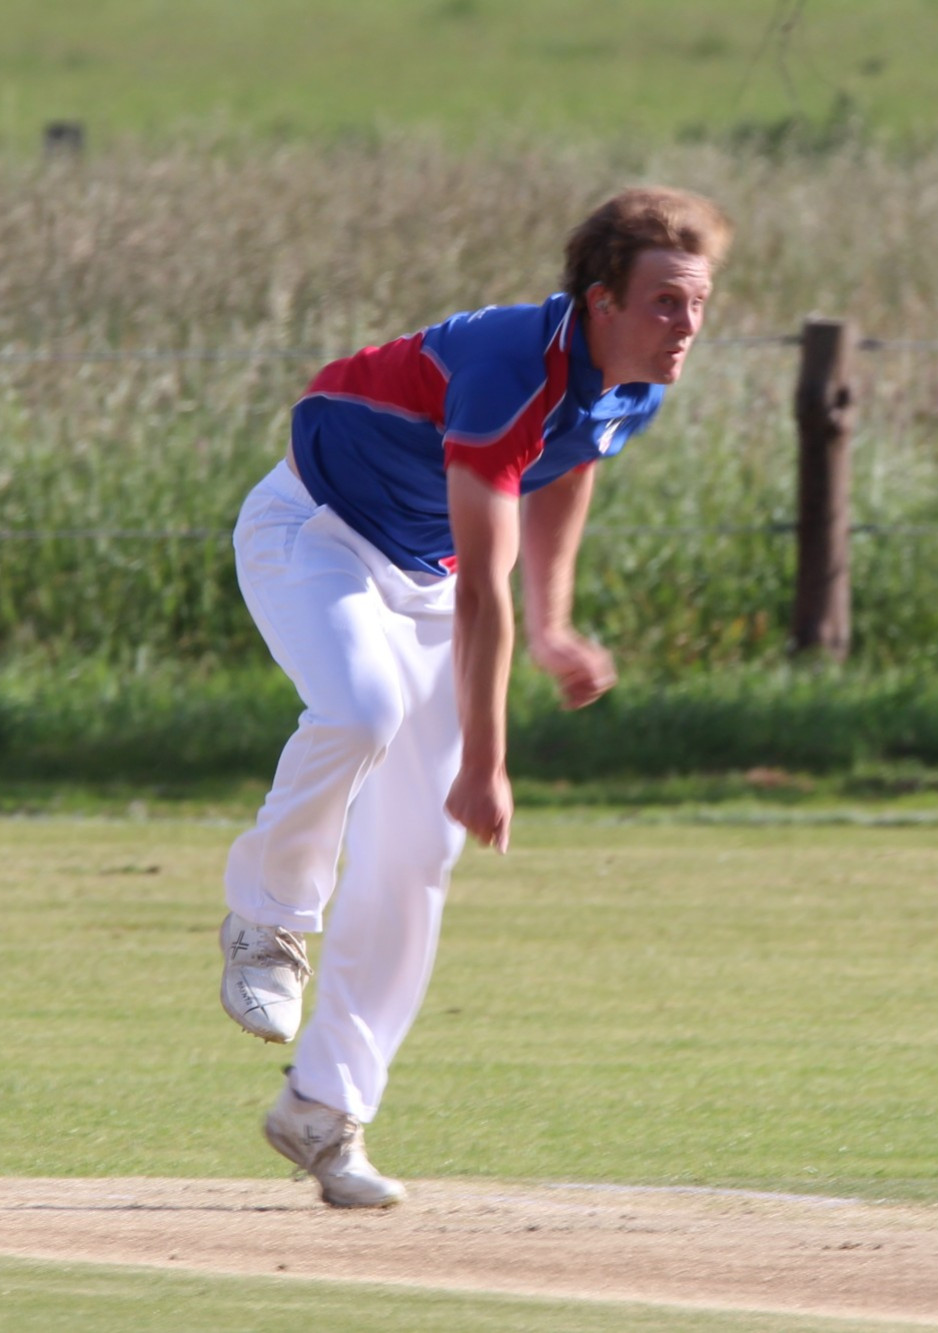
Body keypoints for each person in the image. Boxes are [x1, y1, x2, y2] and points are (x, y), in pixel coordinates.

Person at [217, 187, 731, 1207]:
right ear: (600, 301)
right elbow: (482, 595)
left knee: (416, 856)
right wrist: (487, 764)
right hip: (315, 535)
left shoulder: (631, 385)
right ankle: (265, 922)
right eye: (665, 304)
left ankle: (323, 1112)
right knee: (359, 712)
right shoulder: (508, 367)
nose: (686, 328)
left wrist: (556, 623)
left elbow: (567, 464)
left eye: (699, 304)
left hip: (423, 572)